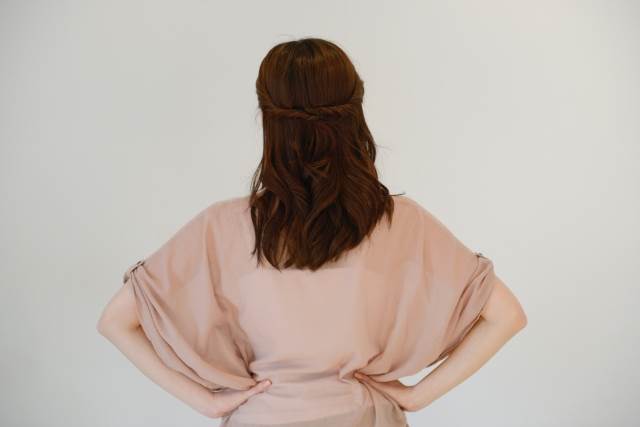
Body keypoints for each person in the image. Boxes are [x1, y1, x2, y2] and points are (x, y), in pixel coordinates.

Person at [97, 37, 527, 427]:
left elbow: (116, 322)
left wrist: (206, 402)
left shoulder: (221, 225)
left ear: (268, 118)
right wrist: (417, 397)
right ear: (355, 110)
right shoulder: (402, 222)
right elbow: (507, 316)